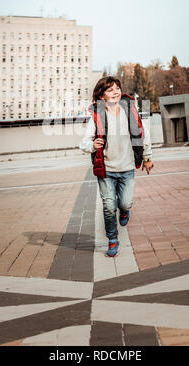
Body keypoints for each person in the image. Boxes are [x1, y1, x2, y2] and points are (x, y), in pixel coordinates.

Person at [79, 76, 154, 257]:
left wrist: (147, 157)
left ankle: (125, 211)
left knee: (125, 203)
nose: (116, 92)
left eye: (117, 88)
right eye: (110, 90)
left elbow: (143, 135)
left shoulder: (129, 111)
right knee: (109, 206)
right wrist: (92, 146)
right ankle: (112, 239)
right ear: (102, 96)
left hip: (127, 167)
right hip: (106, 170)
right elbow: (83, 143)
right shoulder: (97, 116)